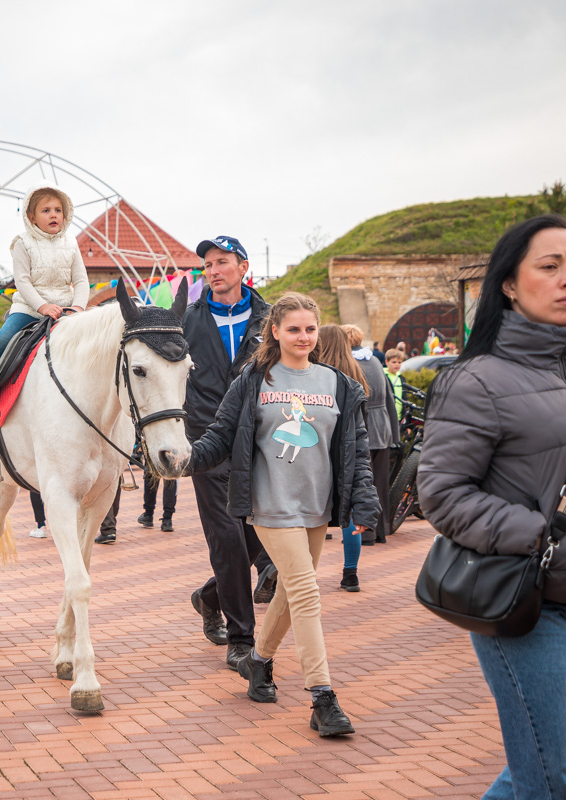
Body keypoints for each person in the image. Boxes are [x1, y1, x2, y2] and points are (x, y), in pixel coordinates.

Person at [418, 214, 566, 798]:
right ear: (509, 283)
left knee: (552, 774)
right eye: (550, 266)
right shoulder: (476, 381)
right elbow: (443, 495)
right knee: (556, 783)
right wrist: (537, 534)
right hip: (528, 604)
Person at [187, 292, 375, 737]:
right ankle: (322, 697)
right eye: (293, 329)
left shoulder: (337, 383)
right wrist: (184, 460)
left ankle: (259, 661)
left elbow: (357, 449)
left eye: (310, 329)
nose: (303, 337)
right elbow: (220, 435)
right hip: (270, 505)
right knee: (306, 592)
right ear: (275, 331)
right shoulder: (254, 379)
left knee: (291, 593)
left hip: (317, 508)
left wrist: (364, 500)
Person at [183, 234, 274, 670]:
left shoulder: (270, 319)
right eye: (207, 265)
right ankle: (242, 638)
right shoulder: (187, 320)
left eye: (222, 262)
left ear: (243, 267)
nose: (213, 270)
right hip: (207, 444)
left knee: (258, 537)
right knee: (228, 539)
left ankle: (209, 597)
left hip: (260, 442)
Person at [0, 182, 89, 415]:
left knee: (95, 340)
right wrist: (42, 306)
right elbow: (23, 281)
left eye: (58, 210)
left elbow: (80, 280)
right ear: (32, 217)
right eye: (46, 211)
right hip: (29, 308)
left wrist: (78, 307)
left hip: (66, 310)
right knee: (3, 338)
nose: (53, 215)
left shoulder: (71, 243)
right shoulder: (22, 243)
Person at [310, 325, 374, 591]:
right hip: (351, 450)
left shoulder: (319, 375)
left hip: (323, 451)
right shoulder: (356, 373)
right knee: (349, 510)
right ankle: (351, 573)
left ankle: (303, 573)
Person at [341, 324, 399, 545]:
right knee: (381, 482)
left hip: (363, 426)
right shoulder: (374, 360)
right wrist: (394, 432)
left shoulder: (349, 363)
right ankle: (382, 529)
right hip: (382, 427)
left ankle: (365, 533)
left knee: (362, 482)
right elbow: (389, 398)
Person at [383, 348, 410, 420]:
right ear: (387, 362)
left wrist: (406, 414)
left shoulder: (401, 378)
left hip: (399, 417)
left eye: (399, 362)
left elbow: (405, 397)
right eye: (394, 362)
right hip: (387, 417)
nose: (397, 365)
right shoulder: (383, 377)